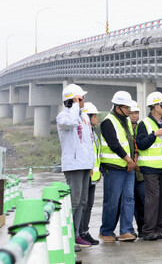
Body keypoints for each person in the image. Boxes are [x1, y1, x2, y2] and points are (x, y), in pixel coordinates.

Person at [56, 84, 95, 248]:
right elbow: (70, 123)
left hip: (85, 164)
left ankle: (77, 234)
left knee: (83, 201)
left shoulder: (83, 117)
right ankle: (70, 235)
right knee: (74, 201)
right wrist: (73, 105)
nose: (83, 101)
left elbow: (88, 142)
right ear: (71, 100)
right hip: (73, 165)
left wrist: (91, 163)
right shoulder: (63, 117)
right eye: (80, 98)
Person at [98, 91, 137, 243]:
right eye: (127, 108)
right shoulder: (108, 122)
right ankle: (106, 231)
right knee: (112, 201)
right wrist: (129, 160)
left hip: (128, 167)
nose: (129, 111)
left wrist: (133, 160)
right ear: (118, 107)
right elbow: (114, 145)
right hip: (114, 167)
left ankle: (126, 231)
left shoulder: (125, 121)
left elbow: (130, 141)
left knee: (129, 199)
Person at [136, 93, 162, 241]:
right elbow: (140, 145)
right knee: (153, 198)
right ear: (155, 106)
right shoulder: (144, 124)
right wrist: (154, 134)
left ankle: (159, 228)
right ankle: (148, 230)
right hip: (150, 167)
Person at [78, 102, 101, 246]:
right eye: (95, 116)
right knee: (83, 204)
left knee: (89, 205)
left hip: (94, 177)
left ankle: (85, 232)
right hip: (87, 174)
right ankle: (80, 232)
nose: (97, 118)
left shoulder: (92, 133)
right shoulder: (84, 133)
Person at [130, 100, 146, 238]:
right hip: (128, 171)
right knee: (129, 202)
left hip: (140, 173)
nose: (134, 116)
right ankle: (128, 229)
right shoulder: (124, 128)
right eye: (132, 113)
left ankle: (142, 229)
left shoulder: (142, 127)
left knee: (142, 200)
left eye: (136, 113)